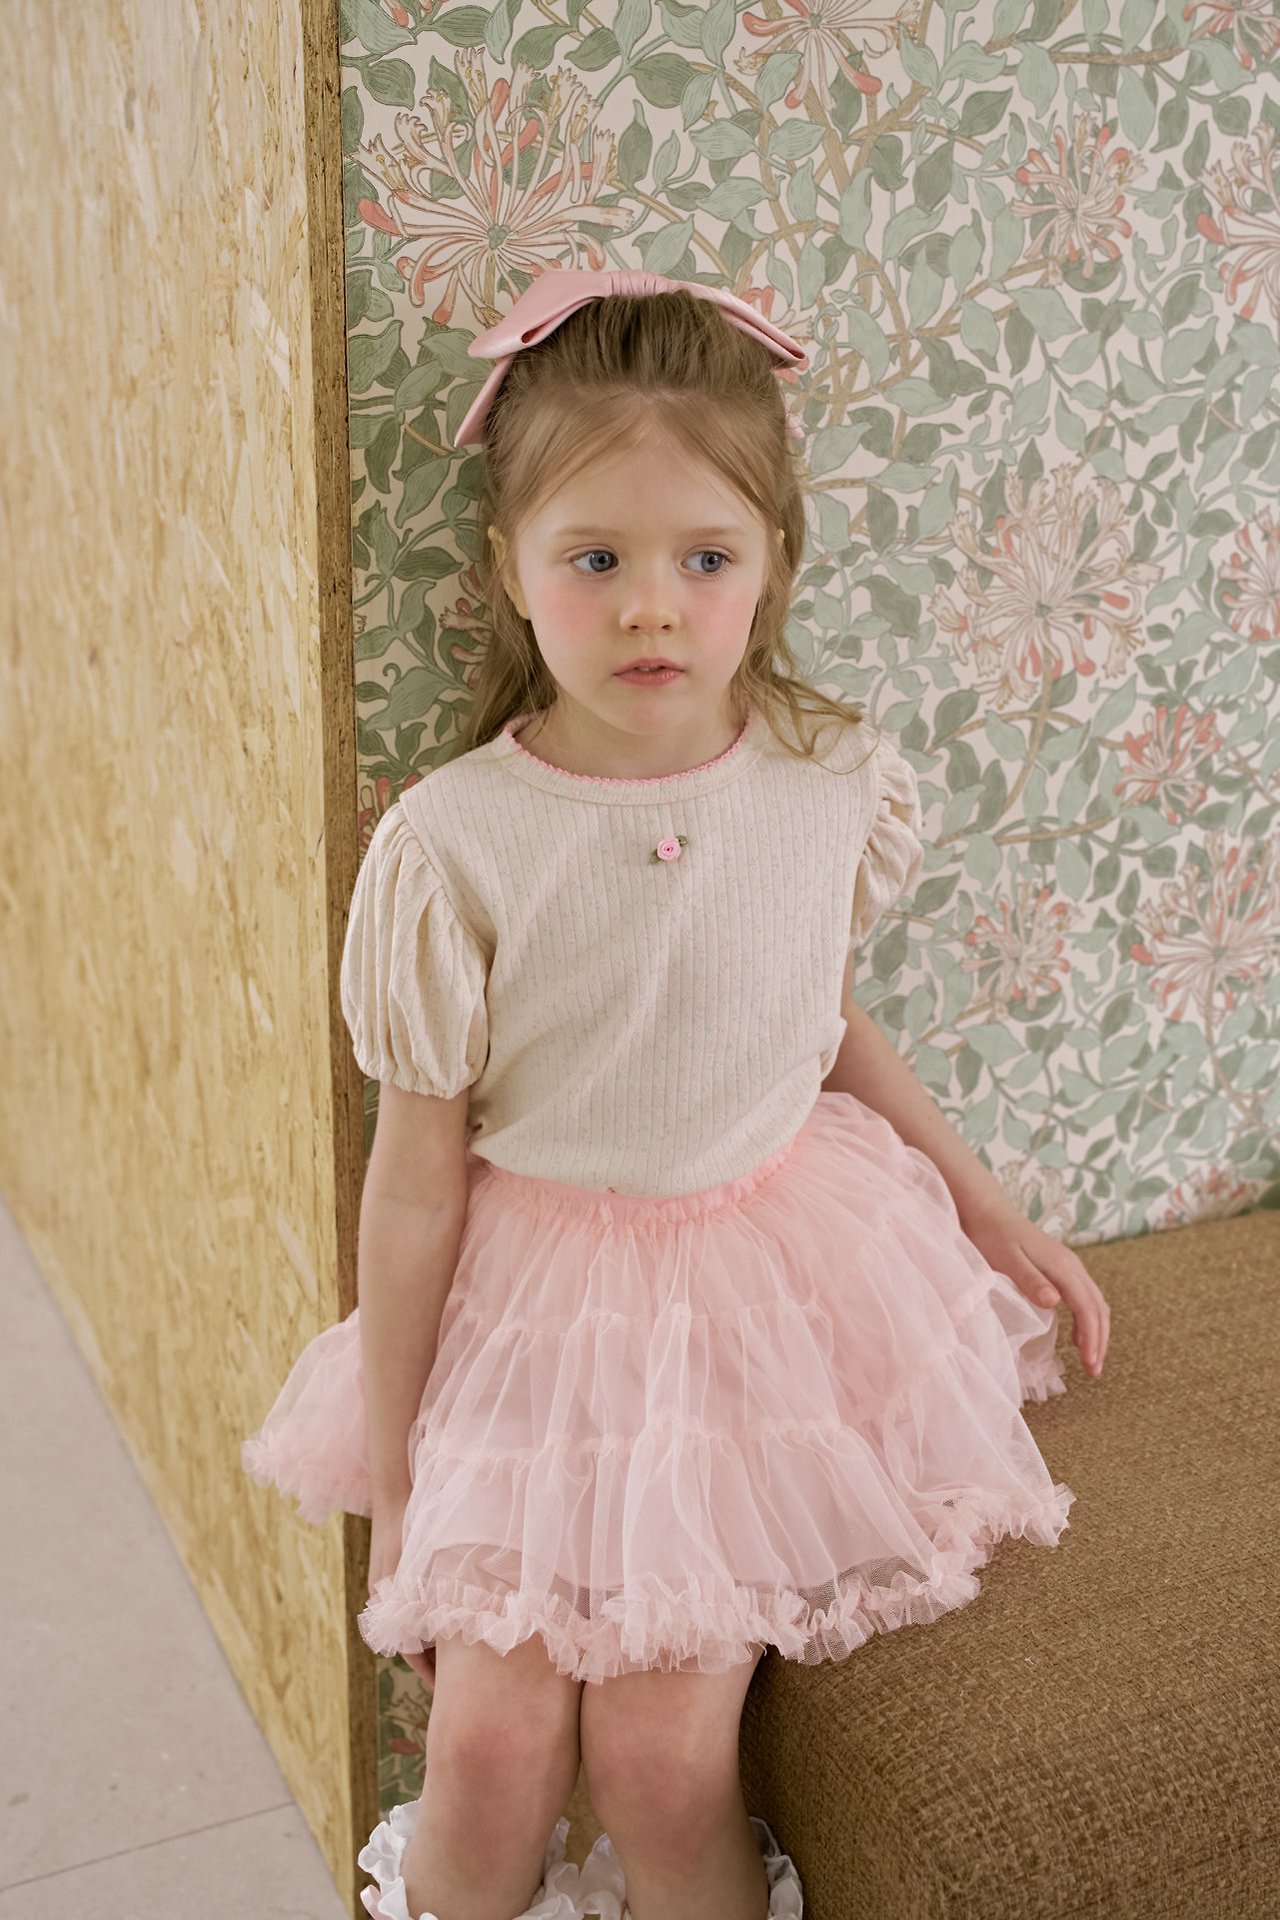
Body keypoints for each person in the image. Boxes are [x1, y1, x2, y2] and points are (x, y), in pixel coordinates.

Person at [242, 267, 1111, 1920]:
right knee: (491, 1748)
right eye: (597, 560)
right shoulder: (455, 843)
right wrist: (404, 1485)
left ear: (773, 560)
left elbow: (817, 1021)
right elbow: (414, 1180)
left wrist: (989, 1208)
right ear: (511, 568)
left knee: (657, 1759)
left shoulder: (827, 782)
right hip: (532, 1312)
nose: (653, 608)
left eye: (704, 559)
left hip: (754, 1303)